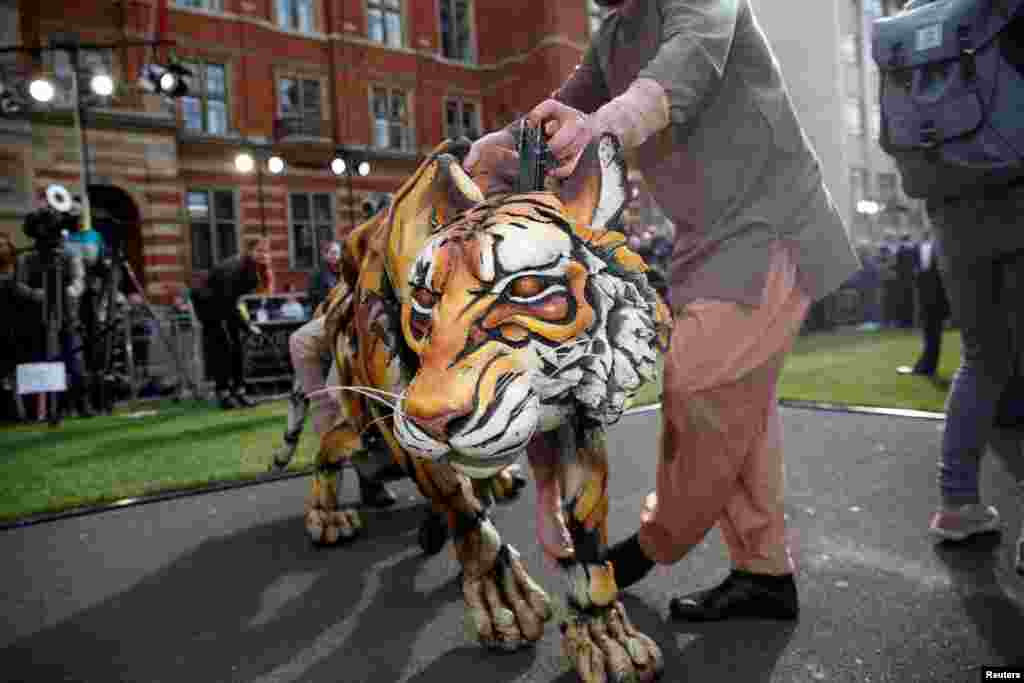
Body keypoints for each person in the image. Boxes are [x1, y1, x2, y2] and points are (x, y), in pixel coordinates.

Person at [465, 0, 860, 620]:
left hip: (769, 224)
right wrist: (498, 146)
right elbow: (564, 113)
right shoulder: (615, 33)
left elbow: (681, 67)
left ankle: (653, 542)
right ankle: (764, 571)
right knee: (740, 414)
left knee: (697, 384)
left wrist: (602, 126)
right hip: (704, 240)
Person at [192, 236, 274, 410]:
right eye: (259, 251)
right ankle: (224, 395)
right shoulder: (234, 268)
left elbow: (235, 301)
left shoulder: (254, 270)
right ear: (250, 251)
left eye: (266, 251)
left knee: (238, 348)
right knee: (223, 348)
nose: (264, 255)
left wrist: (246, 324)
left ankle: (240, 392)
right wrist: (247, 325)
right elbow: (227, 301)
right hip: (208, 305)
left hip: (226, 304)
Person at [897, 231, 949, 377]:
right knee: (929, 332)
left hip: (940, 294)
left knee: (933, 332)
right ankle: (926, 366)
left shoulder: (941, 246)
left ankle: (927, 366)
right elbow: (914, 270)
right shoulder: (918, 247)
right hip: (925, 295)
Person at [308, 240, 341, 314]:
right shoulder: (317, 274)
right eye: (333, 253)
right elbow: (313, 297)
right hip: (324, 313)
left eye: (338, 253)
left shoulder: (345, 271)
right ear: (325, 255)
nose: (336, 256)